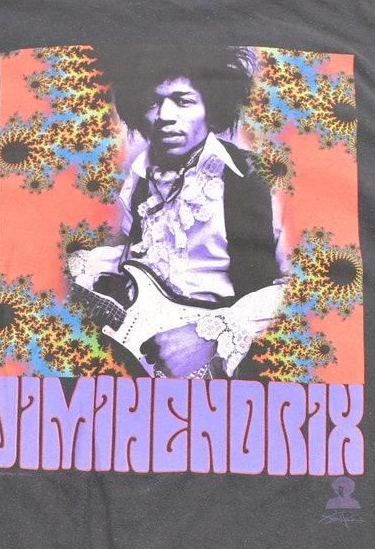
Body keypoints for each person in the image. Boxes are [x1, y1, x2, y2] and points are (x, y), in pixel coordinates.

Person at [68, 46, 291, 380]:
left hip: (233, 369)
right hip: (141, 360)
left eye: (183, 101)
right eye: (152, 102)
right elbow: (136, 255)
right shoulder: (138, 179)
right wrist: (87, 268)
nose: (165, 116)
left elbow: (303, 287)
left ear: (211, 107)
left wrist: (210, 336)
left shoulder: (257, 178)